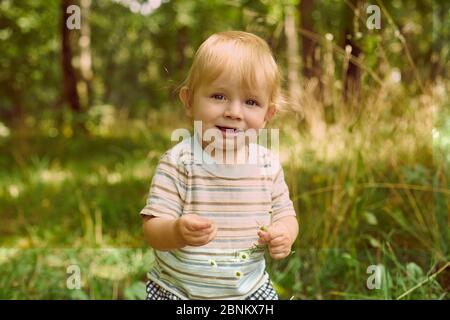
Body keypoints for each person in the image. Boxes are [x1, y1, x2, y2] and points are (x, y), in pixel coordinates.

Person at [140, 31, 298, 300]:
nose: (234, 112)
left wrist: (284, 232)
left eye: (250, 102)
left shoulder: (267, 166)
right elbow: (152, 229)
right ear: (189, 101)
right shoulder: (179, 162)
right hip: (179, 292)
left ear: (267, 115)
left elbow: (285, 214)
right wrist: (176, 231)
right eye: (218, 96)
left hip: (249, 290)